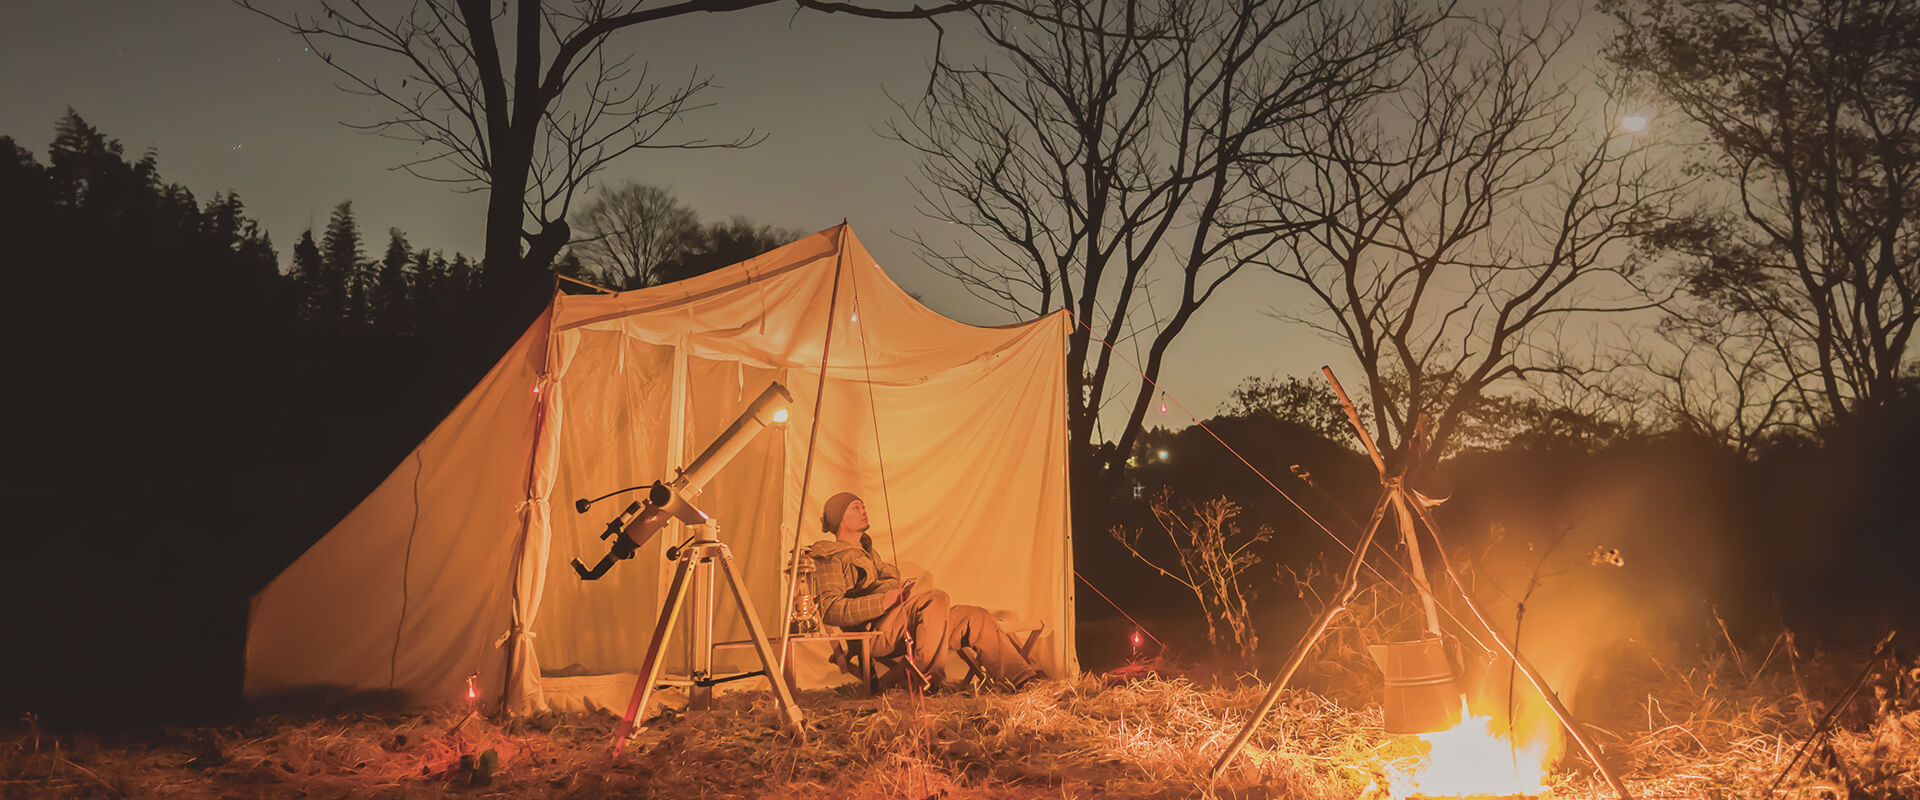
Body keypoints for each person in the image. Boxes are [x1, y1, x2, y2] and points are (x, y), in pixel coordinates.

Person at [808, 491, 1040, 692]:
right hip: (874, 634)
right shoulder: (830, 556)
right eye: (855, 507)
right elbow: (831, 610)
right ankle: (926, 682)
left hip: (901, 625)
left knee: (975, 617)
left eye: (863, 506)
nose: (863, 511)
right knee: (935, 598)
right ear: (839, 518)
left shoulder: (869, 552)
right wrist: (884, 600)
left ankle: (1020, 680)